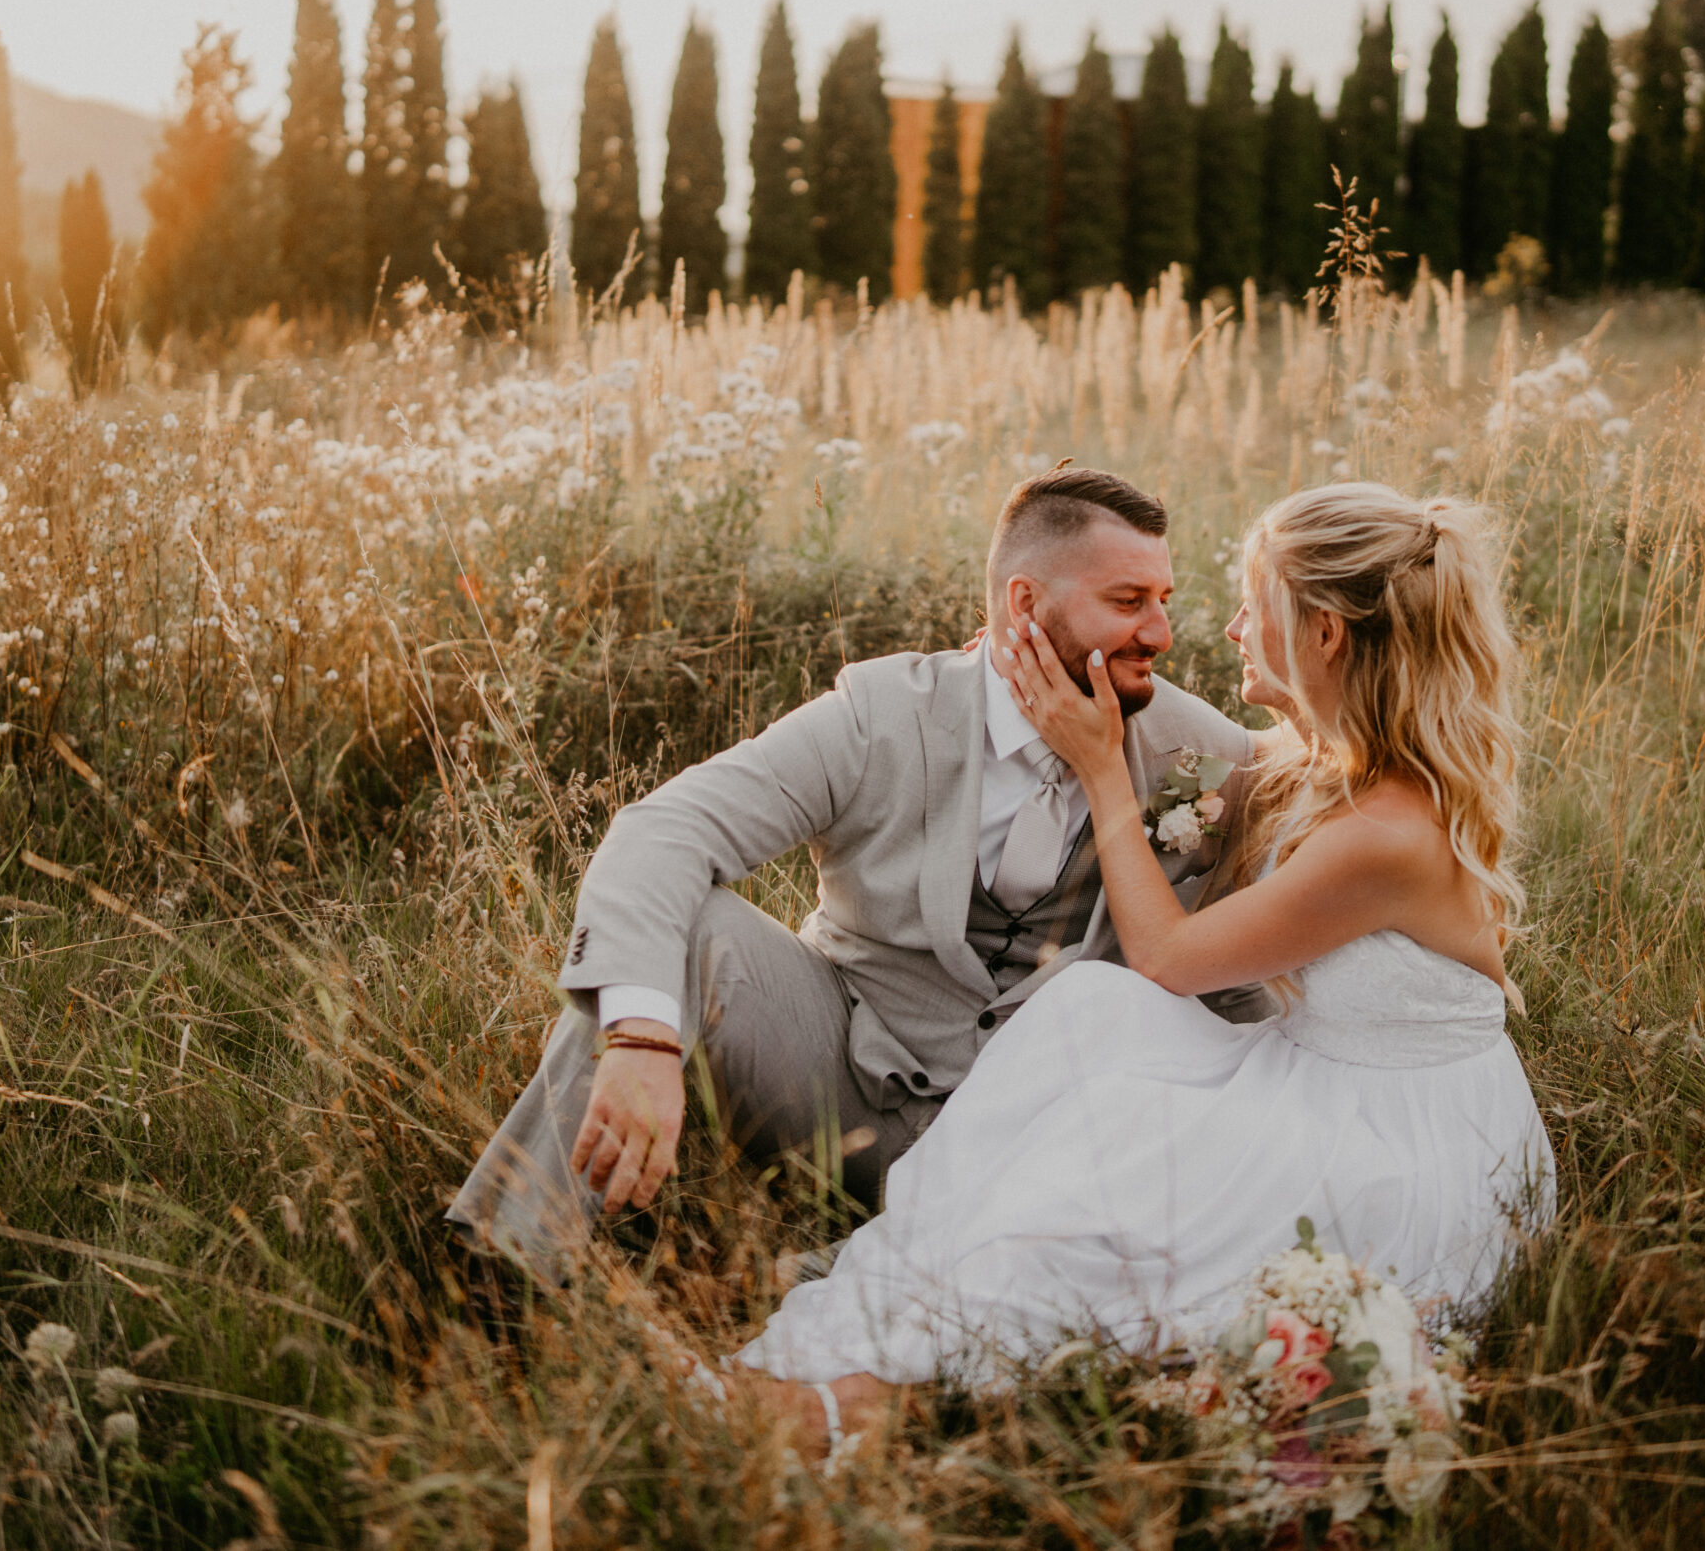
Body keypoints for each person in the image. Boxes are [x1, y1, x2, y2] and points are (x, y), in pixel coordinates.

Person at [734, 483, 1556, 1450]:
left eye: (1256, 603)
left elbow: (1166, 957)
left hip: (1398, 1143)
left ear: (1327, 633)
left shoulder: (1386, 835)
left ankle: (871, 1391)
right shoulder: (1336, 760)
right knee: (1091, 1025)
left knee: (1108, 1204)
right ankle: (903, 1308)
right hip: (1326, 1080)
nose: (1231, 627)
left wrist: (1100, 769)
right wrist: (1009, 675)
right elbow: (1226, 770)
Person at [446, 467, 1273, 1272]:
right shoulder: (884, 717)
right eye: (1127, 602)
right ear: (1024, 602)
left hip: (1043, 1147)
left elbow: (1234, 969)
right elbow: (668, 829)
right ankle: (504, 1264)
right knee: (692, 929)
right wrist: (641, 1036)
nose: (1161, 633)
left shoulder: (1198, 754)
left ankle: (816, 1277)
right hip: (843, 1089)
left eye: (1164, 600)